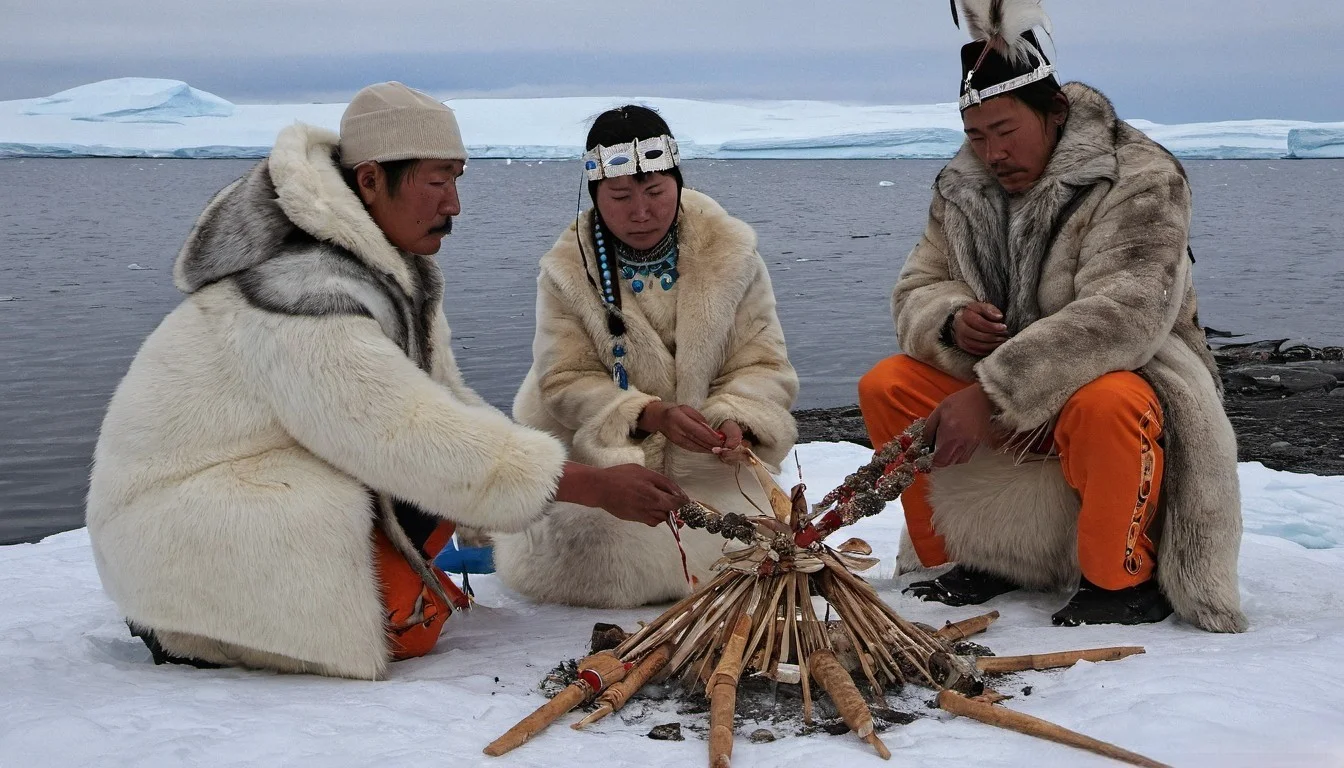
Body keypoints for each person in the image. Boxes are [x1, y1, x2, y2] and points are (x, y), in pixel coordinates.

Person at [86, 82, 687, 679]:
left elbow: (443, 403)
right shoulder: (300, 291)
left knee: (426, 534)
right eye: (436, 181)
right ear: (371, 180)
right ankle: (188, 625)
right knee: (404, 625)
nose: (453, 204)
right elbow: (398, 432)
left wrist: (529, 495)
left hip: (245, 489)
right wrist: (586, 484)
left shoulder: (388, 270)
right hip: (180, 525)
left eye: (457, 179)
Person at [858, 0, 1246, 632]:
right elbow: (918, 286)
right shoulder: (961, 186)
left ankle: (1120, 580)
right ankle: (966, 558)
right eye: (976, 135)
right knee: (890, 387)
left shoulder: (1139, 174)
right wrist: (952, 321)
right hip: (1004, 383)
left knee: (1110, 400)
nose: (990, 153)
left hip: (1131, 374)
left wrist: (994, 391)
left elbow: (1128, 313)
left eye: (1006, 131)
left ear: (1055, 113)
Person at [494, 106, 799, 608]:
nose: (641, 212)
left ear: (677, 184)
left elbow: (762, 363)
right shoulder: (568, 269)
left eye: (656, 192)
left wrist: (736, 419)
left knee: (753, 540)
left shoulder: (733, 255)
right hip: (601, 461)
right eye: (620, 197)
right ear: (595, 196)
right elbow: (565, 379)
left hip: (707, 469)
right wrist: (648, 414)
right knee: (599, 548)